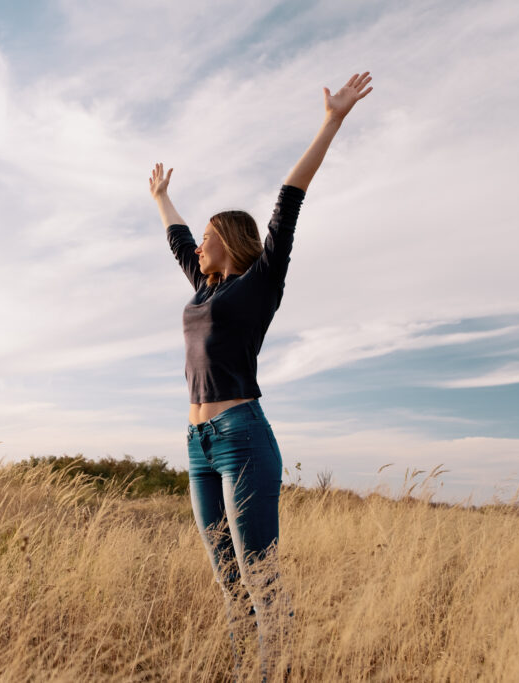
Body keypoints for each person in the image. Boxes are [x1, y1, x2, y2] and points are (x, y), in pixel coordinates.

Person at [149, 71, 372, 681]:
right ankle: (248, 669)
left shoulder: (260, 283)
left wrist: (332, 121)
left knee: (258, 574)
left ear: (230, 241)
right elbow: (178, 241)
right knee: (227, 577)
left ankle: (279, 670)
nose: (199, 247)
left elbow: (288, 200)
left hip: (242, 435)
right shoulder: (204, 288)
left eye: (208, 240)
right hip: (198, 444)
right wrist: (161, 197)